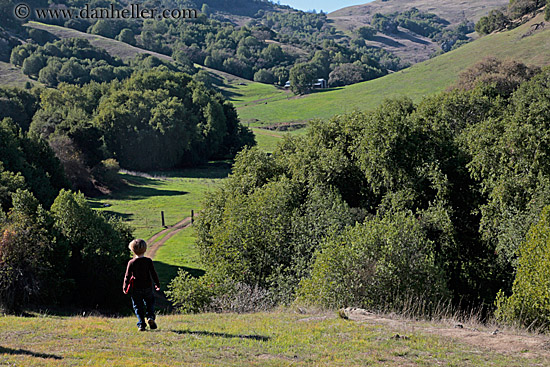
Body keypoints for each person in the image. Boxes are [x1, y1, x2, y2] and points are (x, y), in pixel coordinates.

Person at [123, 239, 161, 331]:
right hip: (147, 287)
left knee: (138, 306)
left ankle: (141, 324)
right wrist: (157, 284)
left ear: (132, 250)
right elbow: (153, 273)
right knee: (150, 303)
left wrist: (125, 287)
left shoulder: (131, 262)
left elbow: (127, 276)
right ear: (145, 249)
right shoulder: (148, 261)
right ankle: (150, 317)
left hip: (135, 288)